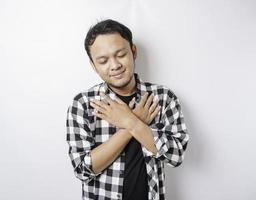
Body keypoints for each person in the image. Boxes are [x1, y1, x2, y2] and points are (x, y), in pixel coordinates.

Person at [66, 19, 189, 200]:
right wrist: (133, 124)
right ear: (93, 65)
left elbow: (176, 156)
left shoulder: (162, 98)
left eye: (121, 54)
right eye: (103, 60)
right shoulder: (83, 104)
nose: (115, 65)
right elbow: (83, 169)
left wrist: (130, 121)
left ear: (133, 51)